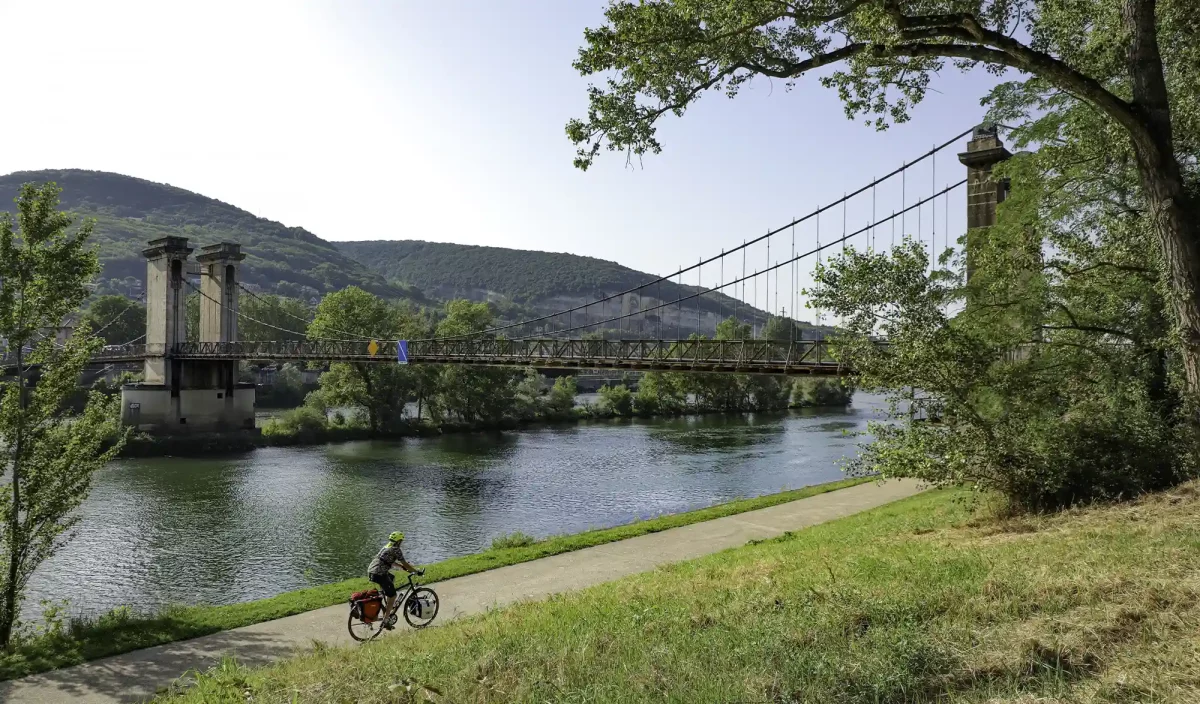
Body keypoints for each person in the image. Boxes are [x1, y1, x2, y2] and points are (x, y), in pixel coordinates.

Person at [368, 531, 423, 628]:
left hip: (372, 571)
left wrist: (402, 567)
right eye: (401, 541)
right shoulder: (396, 549)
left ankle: (386, 601)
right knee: (393, 596)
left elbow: (389, 562)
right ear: (398, 541)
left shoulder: (386, 547)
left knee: (391, 578)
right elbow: (405, 563)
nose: (401, 543)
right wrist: (416, 571)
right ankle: (386, 620)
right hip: (380, 574)